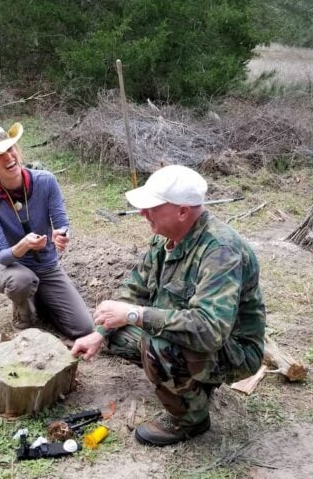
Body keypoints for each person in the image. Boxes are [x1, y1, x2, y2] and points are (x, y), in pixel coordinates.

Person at [72, 164, 266, 446]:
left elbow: (209, 329)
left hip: (234, 349)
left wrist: (136, 315)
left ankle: (191, 420)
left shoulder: (220, 251)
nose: (142, 213)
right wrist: (99, 333)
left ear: (183, 211)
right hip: (190, 333)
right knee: (116, 332)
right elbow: (134, 289)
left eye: (152, 207)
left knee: (158, 345)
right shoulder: (165, 240)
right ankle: (192, 381)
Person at [0, 122, 93, 339]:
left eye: (10, 149)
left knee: (83, 328)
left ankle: (42, 300)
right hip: (11, 268)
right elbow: (2, 256)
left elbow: (62, 223)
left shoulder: (46, 181)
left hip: (47, 266)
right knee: (21, 281)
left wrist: (62, 235)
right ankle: (23, 314)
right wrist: (24, 245)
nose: (8, 157)